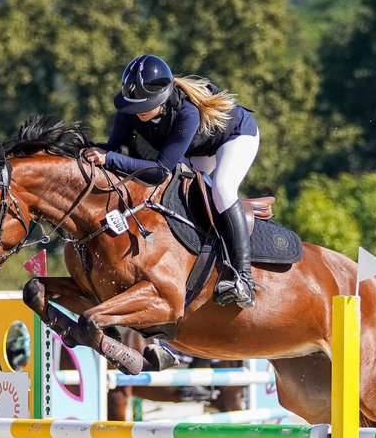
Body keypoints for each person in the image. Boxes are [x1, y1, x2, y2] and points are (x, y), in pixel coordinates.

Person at [83, 54, 260, 309]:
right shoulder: (130, 111)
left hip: (234, 138)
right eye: (134, 107)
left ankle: (244, 280)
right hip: (196, 150)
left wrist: (108, 158)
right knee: (175, 192)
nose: (137, 113)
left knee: (222, 189)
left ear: (162, 99)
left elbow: (159, 171)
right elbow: (114, 151)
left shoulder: (187, 113)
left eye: (144, 106)